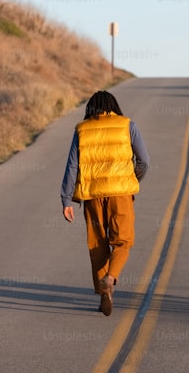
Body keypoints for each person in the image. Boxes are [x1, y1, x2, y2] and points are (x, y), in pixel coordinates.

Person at [61, 90, 150, 316]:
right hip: (120, 194)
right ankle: (110, 278)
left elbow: (72, 166)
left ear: (91, 109)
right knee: (122, 241)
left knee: (97, 244)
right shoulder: (127, 125)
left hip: (92, 196)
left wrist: (66, 199)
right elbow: (144, 161)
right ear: (113, 105)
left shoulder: (81, 129)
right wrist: (131, 179)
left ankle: (103, 295)